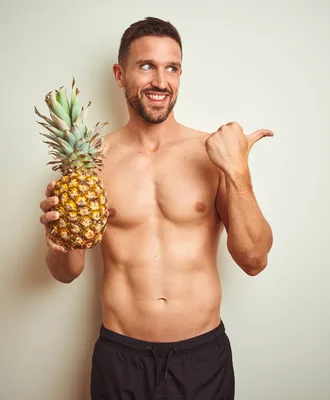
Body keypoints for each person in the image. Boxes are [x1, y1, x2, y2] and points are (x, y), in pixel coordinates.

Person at [39, 16, 273, 400]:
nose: (161, 81)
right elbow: (66, 273)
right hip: (121, 355)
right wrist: (57, 245)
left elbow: (254, 260)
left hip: (202, 356)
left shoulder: (210, 153)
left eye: (172, 68)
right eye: (146, 65)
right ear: (119, 74)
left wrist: (237, 170)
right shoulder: (91, 162)